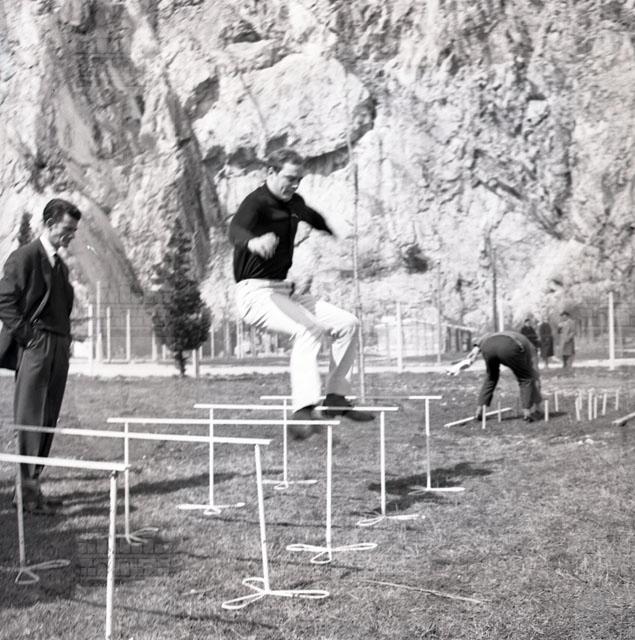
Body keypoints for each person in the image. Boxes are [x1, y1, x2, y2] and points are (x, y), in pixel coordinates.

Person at [228, 147, 373, 438]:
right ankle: (303, 410)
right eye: (290, 178)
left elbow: (311, 216)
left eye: (299, 180)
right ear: (271, 172)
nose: (294, 185)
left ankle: (335, 398)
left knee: (348, 324)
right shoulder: (256, 202)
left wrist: (332, 231)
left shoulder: (295, 202)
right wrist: (253, 243)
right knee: (309, 330)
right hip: (255, 294)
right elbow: (235, 229)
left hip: (283, 292)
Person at [0, 198, 81, 514]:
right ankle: (26, 494)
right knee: (31, 418)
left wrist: (65, 342)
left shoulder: (60, 265)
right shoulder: (25, 257)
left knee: (48, 418)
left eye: (74, 230)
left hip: (58, 347)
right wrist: (29, 338)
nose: (71, 235)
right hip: (37, 345)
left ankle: (33, 489)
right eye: (67, 229)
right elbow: (4, 300)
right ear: (49, 224)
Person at [447, 330, 543, 422]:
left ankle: (479, 411)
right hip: (508, 348)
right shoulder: (532, 350)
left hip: (488, 346)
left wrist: (476, 348)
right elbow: (535, 377)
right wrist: (538, 404)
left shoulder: (512, 335)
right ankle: (527, 413)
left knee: (491, 377)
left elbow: (488, 335)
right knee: (525, 379)